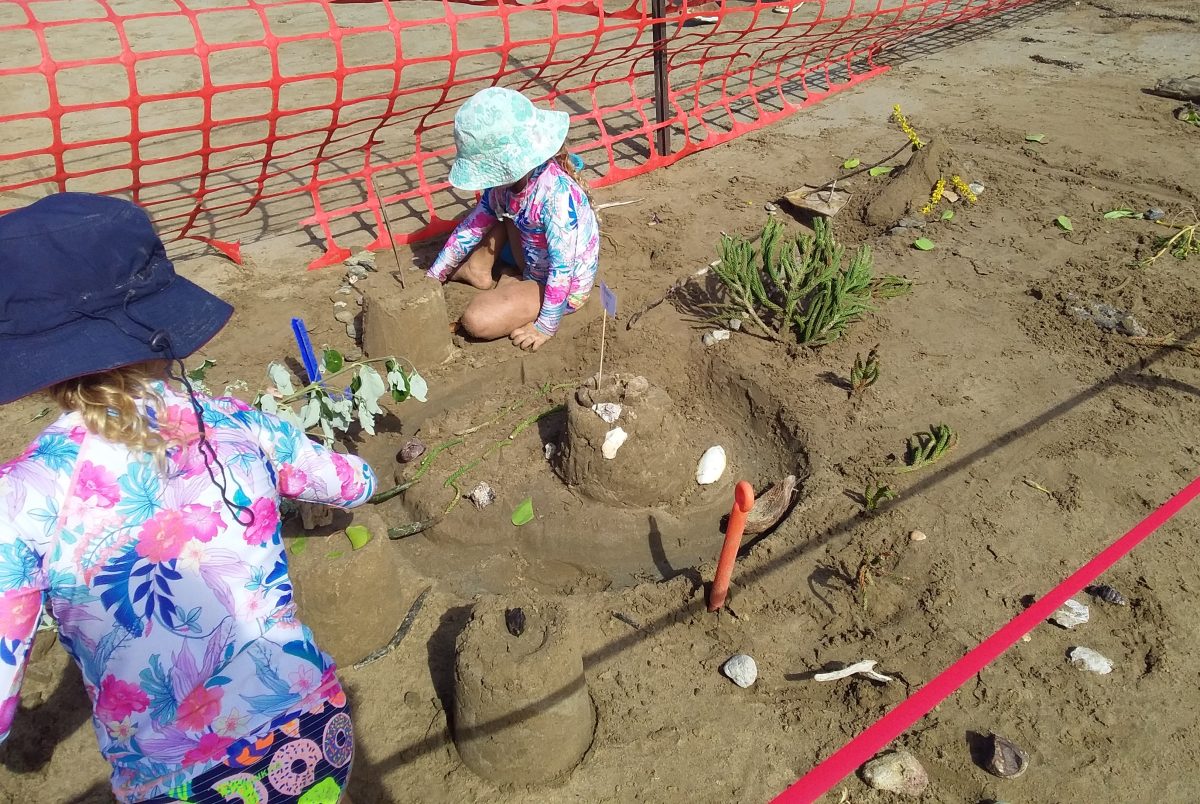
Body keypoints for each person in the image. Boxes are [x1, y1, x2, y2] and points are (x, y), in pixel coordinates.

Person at [0, 193, 375, 803]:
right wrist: (363, 478)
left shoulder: (20, 500)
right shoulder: (237, 421)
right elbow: (350, 481)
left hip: (181, 783)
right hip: (316, 730)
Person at [425, 87, 599, 352]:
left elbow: (563, 270)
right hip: (531, 256)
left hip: (561, 285)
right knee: (491, 213)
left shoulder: (556, 196)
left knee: (476, 320)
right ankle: (486, 272)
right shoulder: (505, 188)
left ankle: (514, 281)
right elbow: (470, 229)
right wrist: (434, 276)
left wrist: (545, 326)